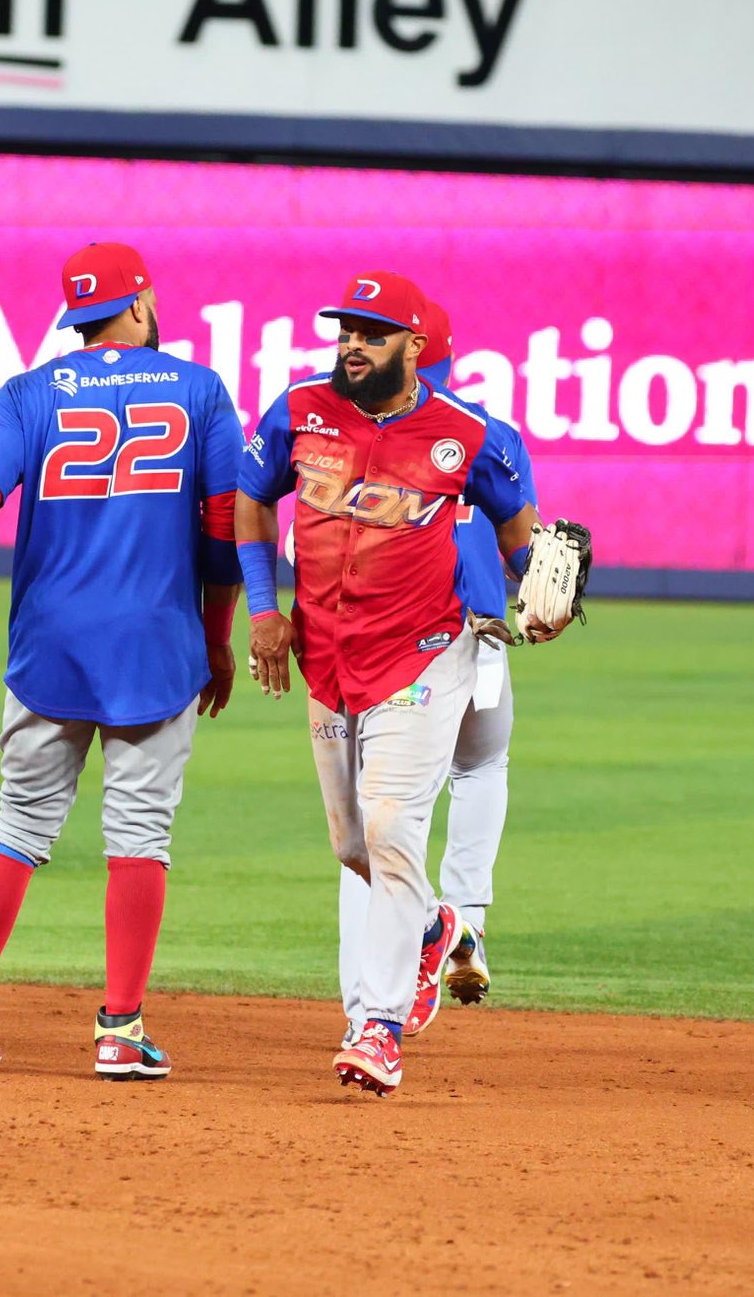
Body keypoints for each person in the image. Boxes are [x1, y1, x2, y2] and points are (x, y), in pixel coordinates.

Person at [0, 242, 244, 1078]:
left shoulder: (27, 393)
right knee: (139, 837)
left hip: (48, 644)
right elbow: (227, 525)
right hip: (155, 644)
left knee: (17, 826)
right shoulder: (198, 389)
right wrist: (217, 632)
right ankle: (120, 1031)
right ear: (142, 303)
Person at [237, 270, 561, 1097]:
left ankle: (377, 1027)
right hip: (327, 657)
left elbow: (524, 539)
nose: (352, 343)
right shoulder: (298, 412)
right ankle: (432, 924)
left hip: (426, 654)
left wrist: (542, 598)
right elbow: (249, 503)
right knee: (354, 847)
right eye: (346, 329)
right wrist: (265, 611)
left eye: (371, 332)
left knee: (390, 826)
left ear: (415, 348)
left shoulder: (468, 434)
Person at [334, 300, 537, 1046]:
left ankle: (379, 987)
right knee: (481, 769)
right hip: (482, 634)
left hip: (396, 646)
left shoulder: (355, 429)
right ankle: (468, 922)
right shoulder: (490, 431)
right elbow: (528, 544)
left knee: (373, 815)